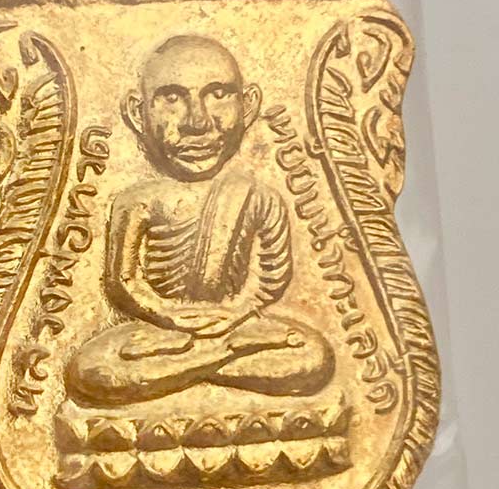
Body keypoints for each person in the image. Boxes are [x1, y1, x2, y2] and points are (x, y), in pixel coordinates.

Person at [65, 35, 333, 406]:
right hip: (160, 330)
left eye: (219, 94)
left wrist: (235, 313)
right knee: (90, 369)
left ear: (248, 105)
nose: (198, 122)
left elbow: (271, 276)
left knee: (314, 356)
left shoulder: (259, 196)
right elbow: (124, 281)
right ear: (137, 113)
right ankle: (215, 361)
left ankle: (186, 368)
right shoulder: (137, 200)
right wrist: (169, 316)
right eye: (172, 98)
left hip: (237, 325)